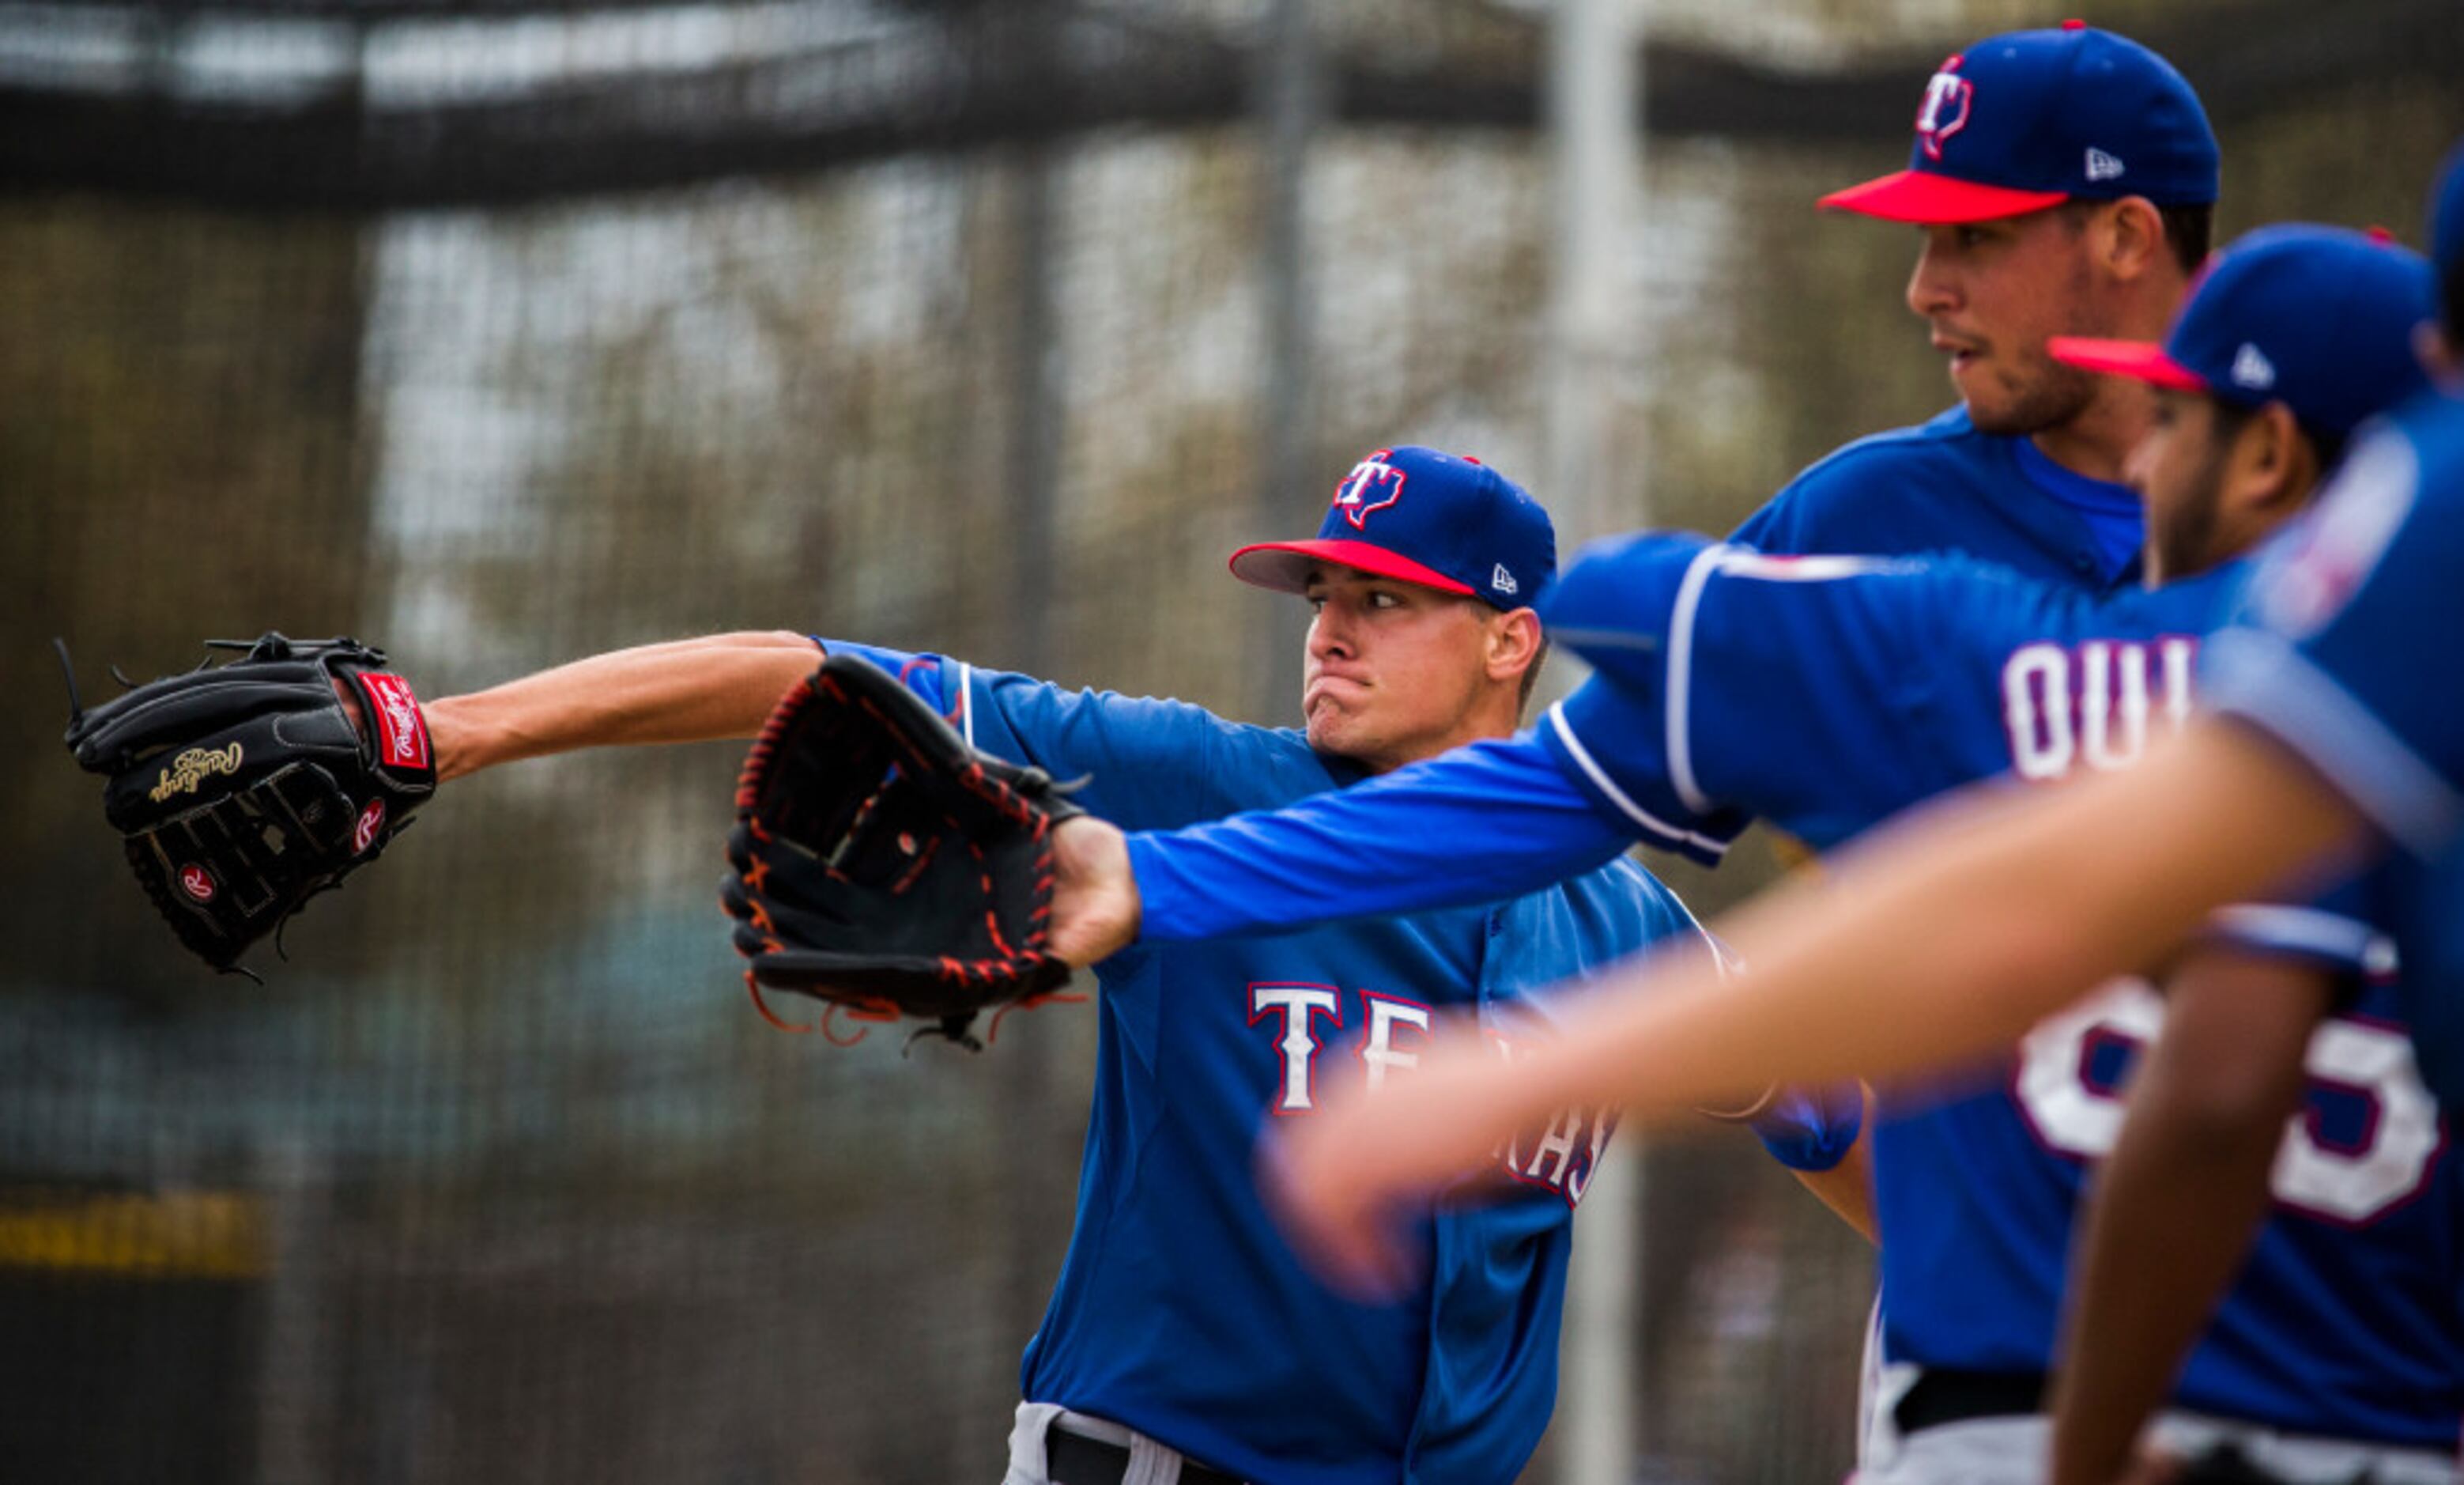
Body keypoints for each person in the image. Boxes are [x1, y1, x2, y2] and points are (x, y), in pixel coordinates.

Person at [1047, 225, 2454, 1483]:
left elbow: (2055, 978)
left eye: (2172, 420)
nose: (2137, 460)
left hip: (2037, 1406)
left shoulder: (1998, 664)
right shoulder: (2366, 747)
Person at [417, 446, 1741, 1484]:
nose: (1329, 630)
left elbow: (1833, 1111)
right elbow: (810, 675)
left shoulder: (1621, 922)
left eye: (1382, 600)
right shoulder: (1205, 782)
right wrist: (447, 732)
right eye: (1322, 596)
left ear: (1510, 640)